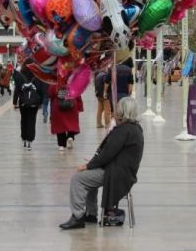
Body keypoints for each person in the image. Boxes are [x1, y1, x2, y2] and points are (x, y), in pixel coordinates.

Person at [59, 97, 144, 230]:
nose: (115, 111)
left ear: (123, 112)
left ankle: (78, 216)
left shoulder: (124, 130)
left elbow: (107, 154)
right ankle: (91, 214)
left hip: (115, 173)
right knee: (89, 177)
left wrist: (88, 165)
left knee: (78, 179)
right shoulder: (135, 129)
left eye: (118, 109)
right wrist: (94, 164)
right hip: (122, 172)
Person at [17, 62, 45, 150]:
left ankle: (24, 138)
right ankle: (30, 140)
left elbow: (17, 89)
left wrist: (15, 102)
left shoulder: (20, 75)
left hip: (23, 102)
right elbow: (41, 89)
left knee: (24, 119)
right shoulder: (37, 75)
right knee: (32, 120)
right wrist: (41, 102)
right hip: (34, 102)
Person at [50, 84, 83, 151]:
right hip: (72, 105)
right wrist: (80, 107)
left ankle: (62, 145)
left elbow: (51, 93)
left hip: (58, 106)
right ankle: (70, 136)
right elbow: (78, 95)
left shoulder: (55, 83)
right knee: (72, 124)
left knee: (59, 126)